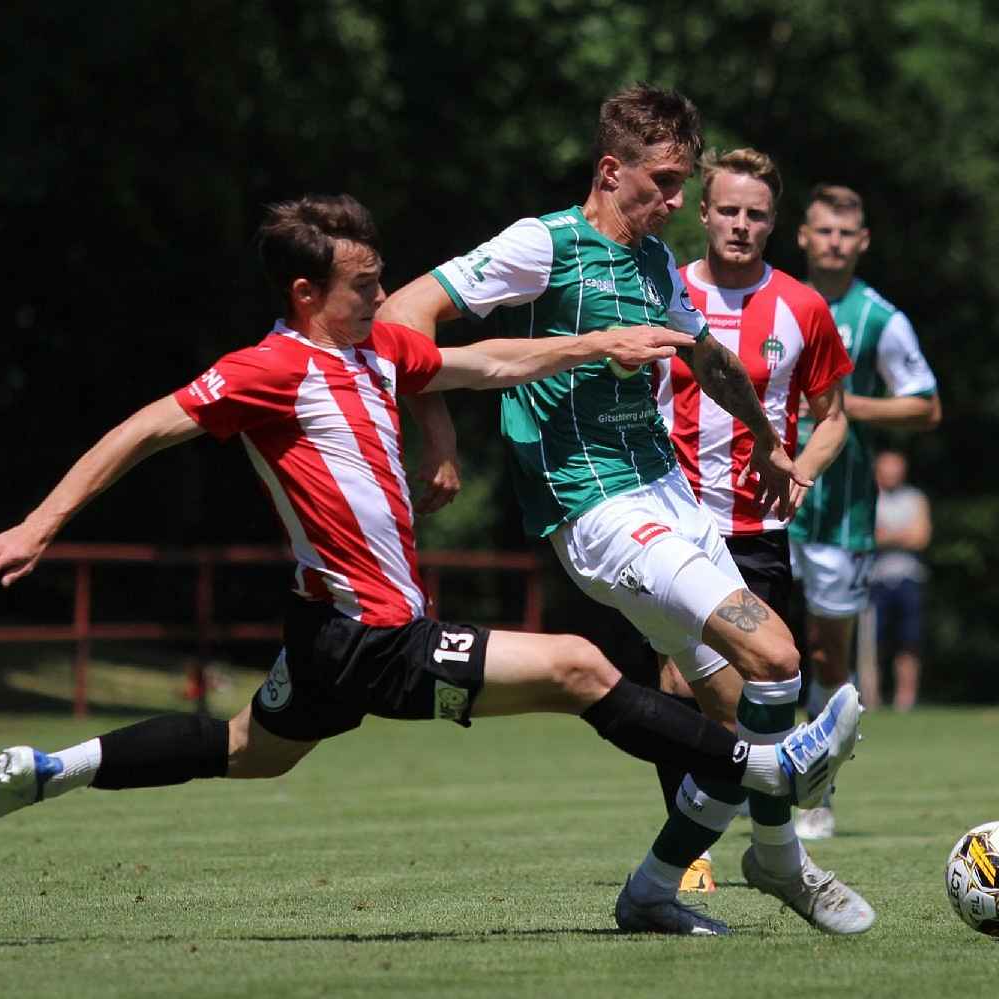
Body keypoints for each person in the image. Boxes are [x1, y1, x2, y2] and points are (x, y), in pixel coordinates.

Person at [0, 196, 847, 924]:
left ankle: (47, 768)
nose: (383, 297)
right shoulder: (269, 370)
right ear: (306, 292)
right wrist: (38, 526)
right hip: (369, 636)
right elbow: (145, 427)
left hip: (324, 635)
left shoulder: (375, 348)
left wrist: (587, 346)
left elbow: (482, 361)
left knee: (247, 750)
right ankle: (764, 770)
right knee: (580, 666)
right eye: (364, 285)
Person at [378, 86, 873, 936]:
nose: (681, 203)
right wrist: (442, 439)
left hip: (668, 492)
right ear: (613, 171)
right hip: (595, 508)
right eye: (667, 182)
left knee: (742, 702)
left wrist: (762, 433)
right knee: (777, 653)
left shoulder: (650, 262)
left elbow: (707, 357)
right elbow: (401, 317)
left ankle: (660, 887)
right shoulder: (544, 244)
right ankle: (781, 846)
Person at [646, 147, 853, 892]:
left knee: (766, 687)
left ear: (774, 223)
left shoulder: (802, 307)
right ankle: (690, 846)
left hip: (755, 528)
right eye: (727, 210)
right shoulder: (657, 288)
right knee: (678, 679)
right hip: (668, 518)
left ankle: (774, 834)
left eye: (755, 214)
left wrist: (803, 466)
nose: (739, 224)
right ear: (701, 213)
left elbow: (834, 418)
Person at [789, 184, 941, 841]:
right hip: (761, 503)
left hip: (840, 513)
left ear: (863, 241)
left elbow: (925, 405)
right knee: (741, 648)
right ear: (802, 235)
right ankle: (742, 780)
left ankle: (818, 791)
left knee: (828, 656)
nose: (833, 242)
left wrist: (844, 410)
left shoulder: (881, 319)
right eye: (823, 231)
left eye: (845, 233)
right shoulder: (774, 302)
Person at [868, 449, 932, 712]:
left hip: (909, 578)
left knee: (909, 641)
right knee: (873, 643)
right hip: (873, 580)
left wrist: (886, 536)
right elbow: (868, 537)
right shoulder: (867, 498)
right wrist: (901, 535)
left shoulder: (915, 498)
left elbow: (921, 537)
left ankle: (905, 701)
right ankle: (871, 700)